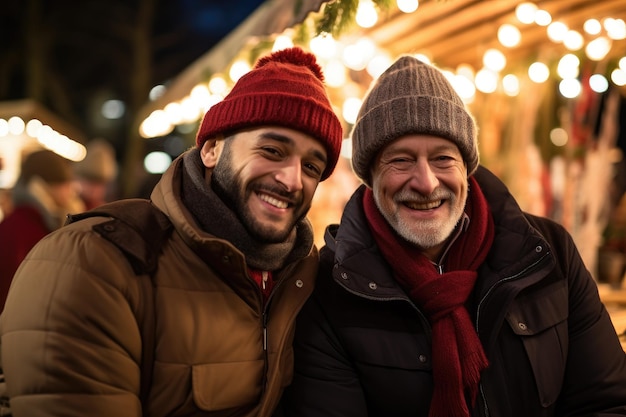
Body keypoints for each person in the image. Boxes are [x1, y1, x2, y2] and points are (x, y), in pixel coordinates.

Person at [0, 47, 343, 417]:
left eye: (311, 166)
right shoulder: (96, 263)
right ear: (211, 149)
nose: (292, 179)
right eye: (273, 150)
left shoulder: (302, 277)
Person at [283, 56, 626, 416]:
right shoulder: (332, 288)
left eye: (443, 158)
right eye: (400, 160)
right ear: (370, 176)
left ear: (466, 167)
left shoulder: (547, 253)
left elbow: (607, 403)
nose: (426, 182)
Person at [0, 149, 84, 311]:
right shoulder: (23, 227)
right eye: (63, 184)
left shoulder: (50, 221)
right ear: (43, 187)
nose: (71, 190)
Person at [74, 138, 118, 209]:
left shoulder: (101, 208)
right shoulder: (72, 204)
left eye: (99, 184)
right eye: (91, 182)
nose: (94, 191)